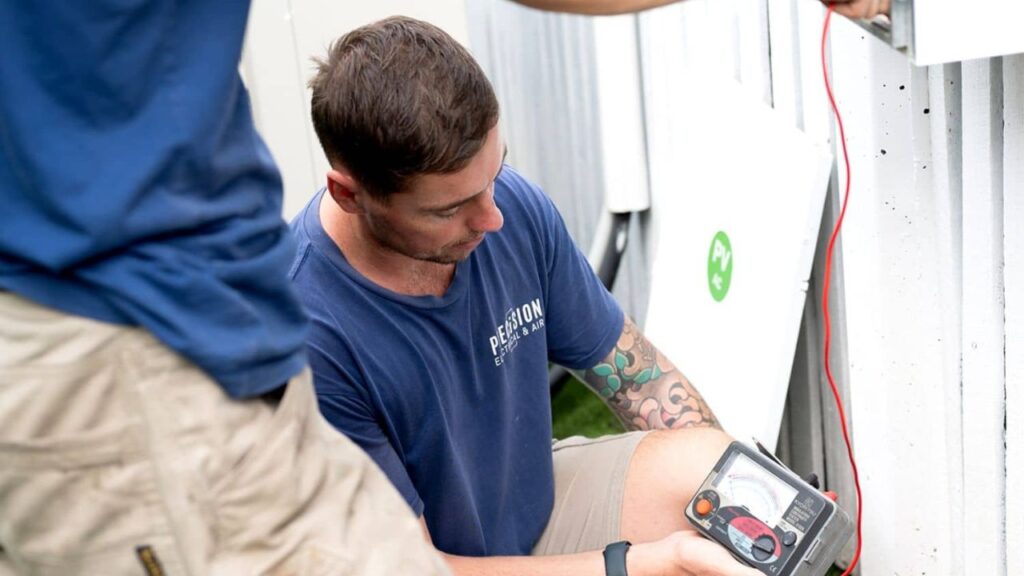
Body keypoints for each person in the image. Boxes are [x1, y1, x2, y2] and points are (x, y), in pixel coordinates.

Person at [290, 16, 764, 576]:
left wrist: (761, 502)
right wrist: (636, 565)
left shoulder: (511, 206)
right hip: (429, 562)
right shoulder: (305, 337)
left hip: (537, 516)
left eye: (493, 175)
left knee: (708, 471)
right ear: (349, 195)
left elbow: (640, 380)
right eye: (448, 209)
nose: (491, 217)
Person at [0, 3, 447, 575]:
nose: (492, 218)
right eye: (448, 209)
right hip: (122, 342)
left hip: (165, 344)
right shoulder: (323, 305)